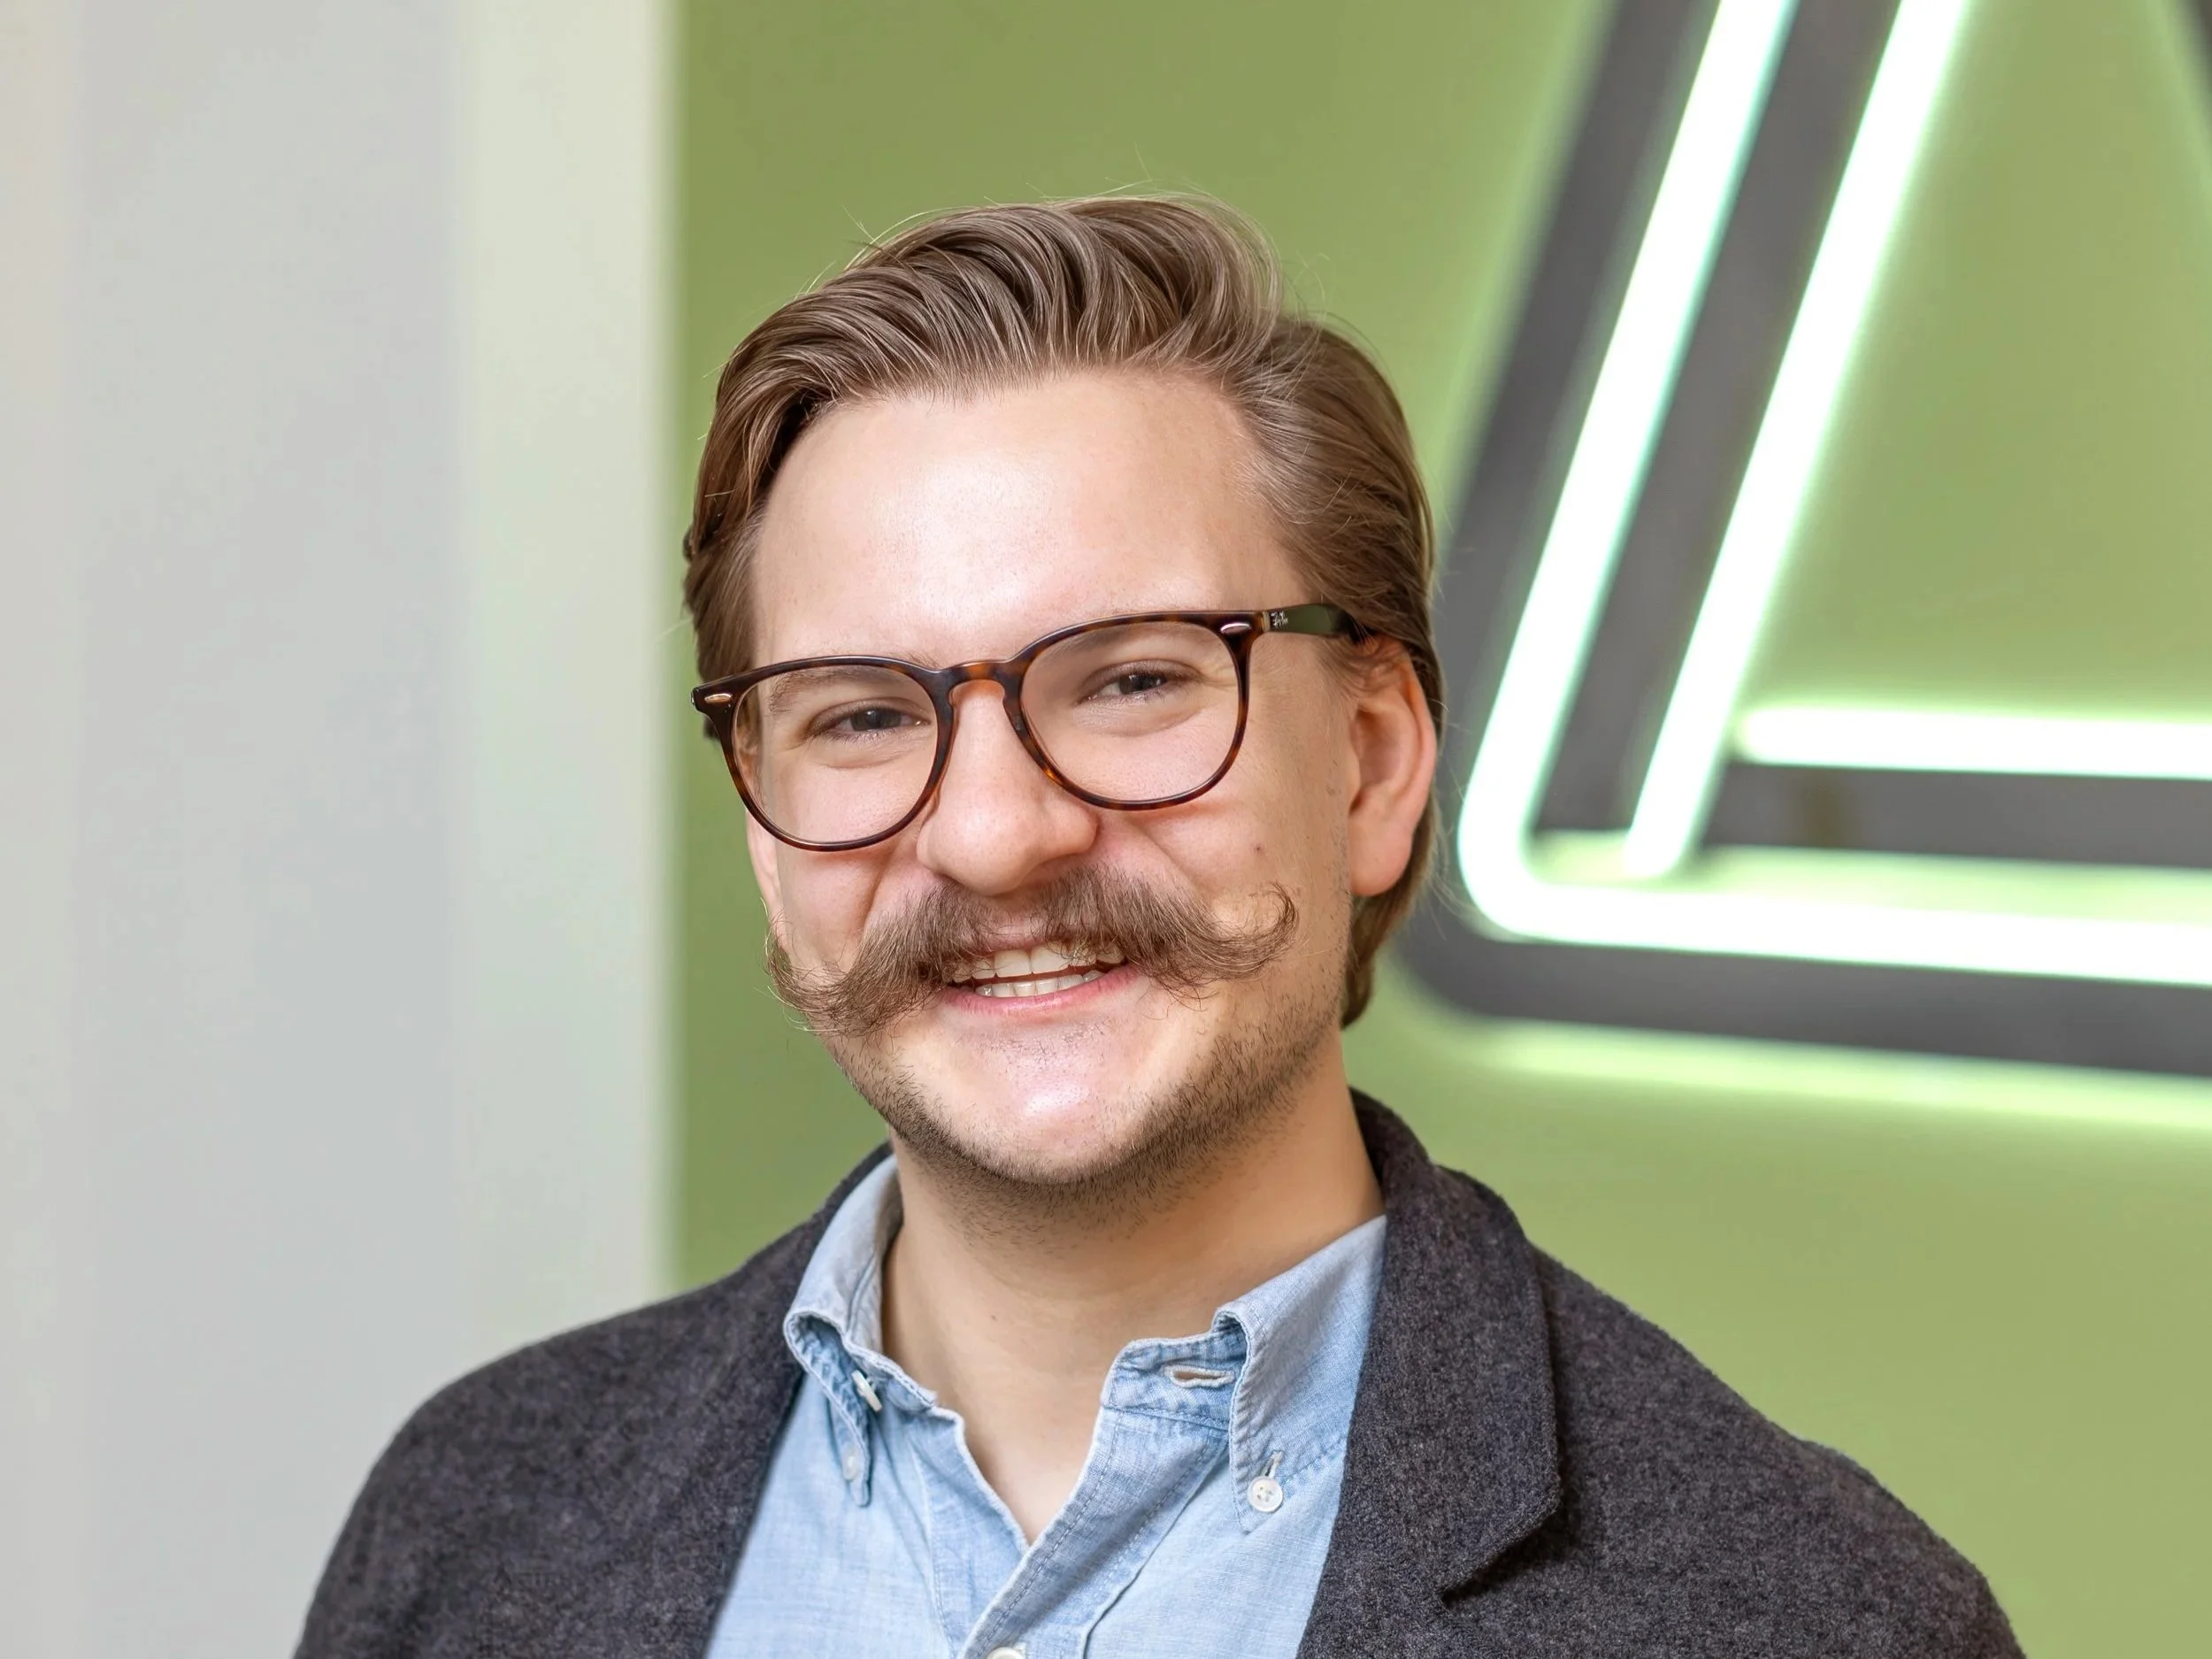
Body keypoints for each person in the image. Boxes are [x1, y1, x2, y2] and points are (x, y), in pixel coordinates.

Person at [296, 196, 2021, 1658]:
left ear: (1370, 763)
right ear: (761, 821)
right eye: (863, 715)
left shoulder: (1809, 1616)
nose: (993, 836)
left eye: (1131, 681)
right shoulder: (473, 1521)